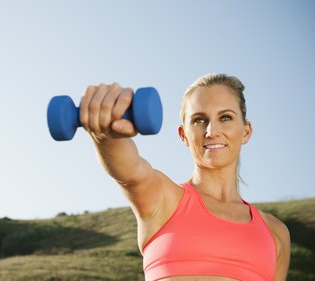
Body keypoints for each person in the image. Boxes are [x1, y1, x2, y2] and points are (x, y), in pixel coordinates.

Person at [79, 73, 290, 281]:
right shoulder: (163, 200)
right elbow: (130, 172)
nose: (211, 131)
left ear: (246, 131)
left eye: (225, 117)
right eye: (199, 120)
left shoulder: (275, 233)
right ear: (183, 135)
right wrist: (106, 134)